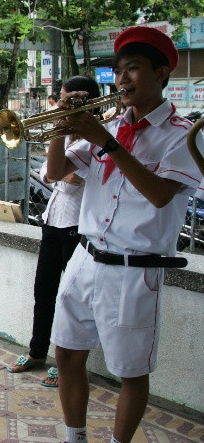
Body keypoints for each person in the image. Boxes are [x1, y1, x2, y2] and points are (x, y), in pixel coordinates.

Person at [45, 26, 203, 443]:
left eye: (133, 69)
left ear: (162, 73)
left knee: (130, 372)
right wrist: (62, 125)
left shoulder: (181, 135)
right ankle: (74, 437)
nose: (122, 80)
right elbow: (56, 172)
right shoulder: (110, 126)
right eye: (118, 71)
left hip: (136, 270)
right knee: (65, 352)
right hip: (85, 257)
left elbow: (158, 196)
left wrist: (108, 143)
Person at [6, 76, 100, 387]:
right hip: (53, 222)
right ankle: (37, 352)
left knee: (69, 297)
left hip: (76, 227)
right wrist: (60, 132)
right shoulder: (67, 138)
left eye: (64, 100)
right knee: (43, 291)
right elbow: (52, 173)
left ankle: (66, 361)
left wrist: (61, 135)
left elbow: (66, 179)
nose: (57, 106)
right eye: (59, 100)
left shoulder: (91, 140)